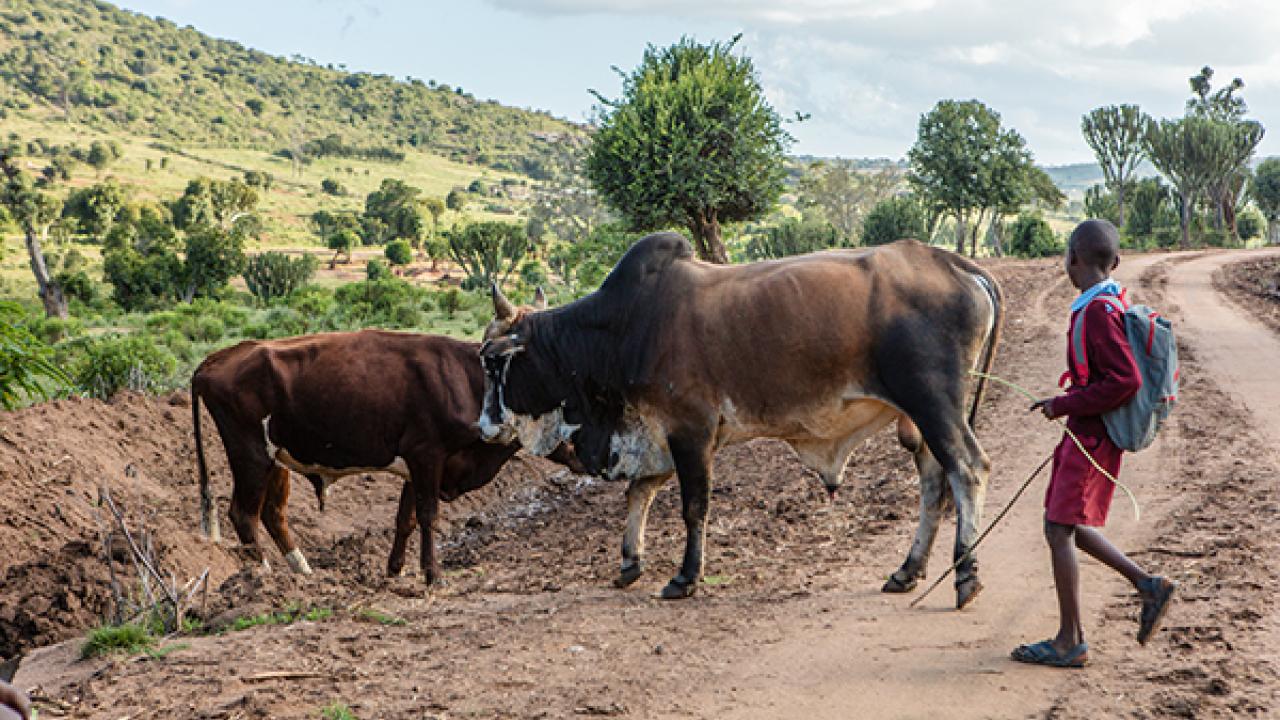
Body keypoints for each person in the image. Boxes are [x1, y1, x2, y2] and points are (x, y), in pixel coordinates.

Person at [1012, 218, 1176, 668]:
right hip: (1087, 430)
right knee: (1061, 522)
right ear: (1116, 262)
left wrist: (1063, 404)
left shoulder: (1095, 313)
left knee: (1058, 527)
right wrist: (1066, 404)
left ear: (1072, 259)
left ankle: (1070, 640)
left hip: (1092, 434)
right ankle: (1146, 585)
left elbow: (1124, 381)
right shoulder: (1109, 301)